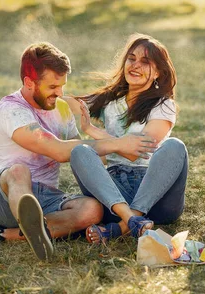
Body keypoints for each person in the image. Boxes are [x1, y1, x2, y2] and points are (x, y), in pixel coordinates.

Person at [0, 42, 151, 260]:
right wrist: (119, 144)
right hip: (7, 195)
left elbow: (83, 154)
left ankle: (5, 235)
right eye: (52, 87)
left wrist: (99, 136)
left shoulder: (60, 109)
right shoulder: (11, 110)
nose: (60, 93)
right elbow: (58, 150)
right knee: (18, 171)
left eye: (62, 86)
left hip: (47, 198)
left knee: (93, 209)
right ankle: (30, 222)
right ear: (29, 82)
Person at [68, 34, 188, 244]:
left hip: (156, 196)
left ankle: (121, 227)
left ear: (158, 72)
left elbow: (136, 151)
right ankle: (132, 220)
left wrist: (94, 132)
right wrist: (41, 94)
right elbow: (71, 103)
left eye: (145, 62)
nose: (135, 65)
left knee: (175, 146)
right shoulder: (110, 102)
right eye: (131, 58)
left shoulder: (163, 105)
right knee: (79, 152)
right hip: (114, 194)